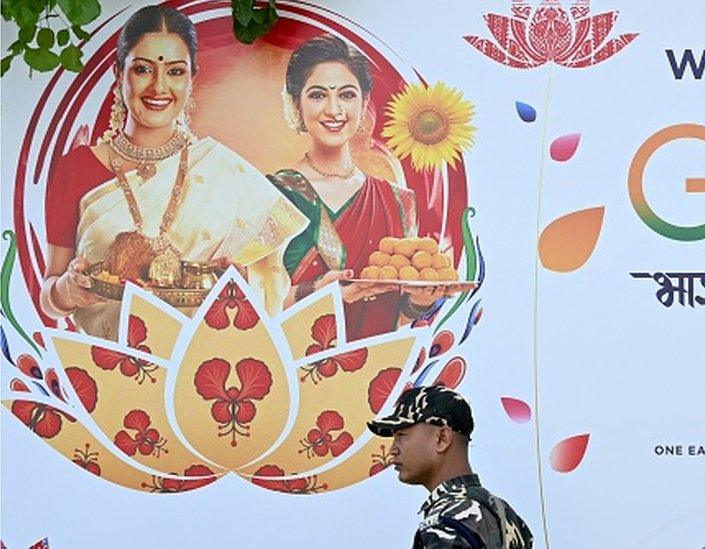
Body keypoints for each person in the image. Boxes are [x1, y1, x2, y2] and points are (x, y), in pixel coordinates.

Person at [40, 5, 306, 339]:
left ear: (193, 76)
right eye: (142, 70)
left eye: (176, 72)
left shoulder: (222, 171)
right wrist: (66, 291)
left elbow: (266, 276)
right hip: (110, 371)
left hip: (205, 363)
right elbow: (48, 296)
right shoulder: (76, 167)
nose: (159, 87)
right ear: (118, 72)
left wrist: (240, 285)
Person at [271, 35, 456, 341]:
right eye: (318, 95)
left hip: (372, 372)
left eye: (346, 95)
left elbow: (391, 316)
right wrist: (318, 292)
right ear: (296, 103)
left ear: (365, 103)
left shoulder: (397, 201)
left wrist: (418, 303)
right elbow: (255, 305)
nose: (334, 109)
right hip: (293, 372)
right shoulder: (274, 194)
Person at [368, 386, 533, 548]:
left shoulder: (446, 522)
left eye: (401, 435)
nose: (392, 450)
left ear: (442, 438)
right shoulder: (504, 513)